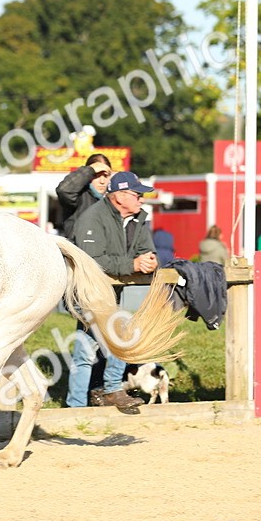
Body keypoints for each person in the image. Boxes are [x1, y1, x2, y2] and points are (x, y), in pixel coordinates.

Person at [68, 171, 158, 412]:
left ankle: (75, 407)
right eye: (137, 194)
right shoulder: (91, 218)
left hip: (112, 294)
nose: (142, 199)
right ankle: (111, 389)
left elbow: (146, 249)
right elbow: (93, 260)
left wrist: (150, 259)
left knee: (85, 353)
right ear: (119, 196)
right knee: (122, 336)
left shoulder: (138, 218)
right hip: (87, 293)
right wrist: (133, 265)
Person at [56, 153, 112, 243]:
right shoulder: (79, 197)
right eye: (96, 175)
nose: (102, 181)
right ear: (88, 176)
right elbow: (64, 190)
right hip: (78, 253)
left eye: (105, 176)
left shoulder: (111, 201)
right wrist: (90, 170)